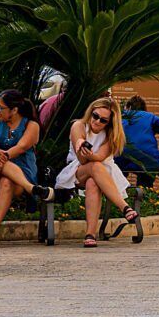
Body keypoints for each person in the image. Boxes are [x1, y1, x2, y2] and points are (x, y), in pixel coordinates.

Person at [56, 97, 137, 247]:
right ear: (91, 112)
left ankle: (90, 234)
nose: (97, 121)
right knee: (94, 167)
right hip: (77, 170)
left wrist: (89, 152)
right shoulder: (79, 125)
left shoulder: (111, 135)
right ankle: (124, 207)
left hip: (105, 173)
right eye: (95, 116)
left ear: (110, 122)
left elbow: (99, 157)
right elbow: (82, 160)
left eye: (103, 120)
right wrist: (80, 144)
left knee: (93, 180)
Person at [0, 90, 43, 247]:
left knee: (7, 181)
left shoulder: (31, 125)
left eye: (0, 107)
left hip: (22, 172)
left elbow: (21, 147)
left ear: (14, 110)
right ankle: (32, 189)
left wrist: (4, 156)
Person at [120, 93, 159, 189]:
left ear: (128, 107)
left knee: (119, 180)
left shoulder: (121, 115)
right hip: (147, 158)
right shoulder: (149, 116)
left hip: (122, 157)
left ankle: (120, 200)